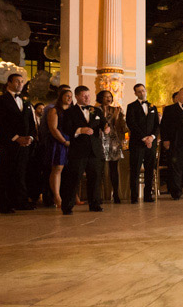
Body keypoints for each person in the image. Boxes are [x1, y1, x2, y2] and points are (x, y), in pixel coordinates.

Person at [0, 72, 36, 213]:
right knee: (6, 173)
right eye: (17, 81)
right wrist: (17, 138)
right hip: (9, 143)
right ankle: (4, 204)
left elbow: (31, 123)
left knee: (20, 173)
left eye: (22, 81)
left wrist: (30, 138)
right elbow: (0, 122)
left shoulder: (25, 101)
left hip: (25, 144)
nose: (20, 84)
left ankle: (20, 201)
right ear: (9, 83)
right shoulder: (1, 100)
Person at [59, 85, 104, 213]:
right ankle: (67, 206)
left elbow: (103, 123)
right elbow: (66, 128)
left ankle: (95, 204)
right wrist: (80, 130)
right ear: (77, 96)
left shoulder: (96, 111)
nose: (87, 98)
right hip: (78, 150)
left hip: (94, 150)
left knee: (95, 178)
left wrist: (106, 127)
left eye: (88, 95)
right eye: (84, 96)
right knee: (73, 178)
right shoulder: (69, 112)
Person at [125, 83, 158, 202]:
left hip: (151, 143)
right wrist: (144, 138)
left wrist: (152, 137)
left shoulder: (153, 107)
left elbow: (156, 125)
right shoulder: (131, 106)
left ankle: (148, 195)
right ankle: (134, 197)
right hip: (137, 143)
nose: (142, 93)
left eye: (143, 90)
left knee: (150, 170)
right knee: (135, 169)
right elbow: (131, 124)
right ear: (135, 93)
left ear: (146, 91)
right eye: (139, 91)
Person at [44, 86, 73, 209]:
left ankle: (70, 196)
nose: (69, 98)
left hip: (71, 141)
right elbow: (53, 128)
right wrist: (64, 141)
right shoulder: (54, 110)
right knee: (57, 168)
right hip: (58, 141)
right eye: (67, 96)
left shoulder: (72, 111)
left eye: (71, 97)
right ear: (61, 97)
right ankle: (57, 196)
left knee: (70, 170)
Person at [97, 89, 126, 203]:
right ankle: (98, 195)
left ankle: (116, 195)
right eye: (105, 96)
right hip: (99, 141)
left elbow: (122, 127)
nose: (108, 98)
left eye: (110, 96)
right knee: (99, 169)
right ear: (100, 98)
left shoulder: (116, 110)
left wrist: (120, 117)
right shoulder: (95, 110)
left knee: (114, 169)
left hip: (113, 142)